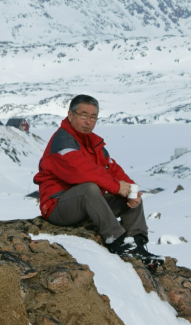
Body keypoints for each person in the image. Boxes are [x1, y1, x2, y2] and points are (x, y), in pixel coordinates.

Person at [33, 95, 160, 264]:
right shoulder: (62, 141)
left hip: (87, 206)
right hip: (58, 206)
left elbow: (111, 168)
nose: (88, 122)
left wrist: (131, 190)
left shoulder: (93, 142)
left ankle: (137, 246)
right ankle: (116, 241)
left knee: (130, 196)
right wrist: (116, 187)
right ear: (70, 115)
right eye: (83, 115)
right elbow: (81, 171)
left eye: (93, 117)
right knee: (89, 188)